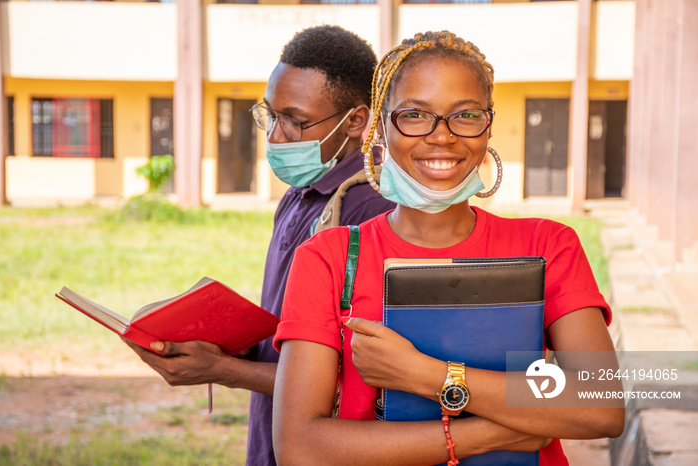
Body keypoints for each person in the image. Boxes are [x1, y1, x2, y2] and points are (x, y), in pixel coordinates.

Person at [272, 31, 625, 465]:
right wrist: (503, 427)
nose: (442, 136)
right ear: (382, 125)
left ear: (487, 126)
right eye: (415, 115)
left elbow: (600, 405)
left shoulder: (548, 246)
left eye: (465, 115)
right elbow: (299, 448)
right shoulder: (327, 259)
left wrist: (427, 375)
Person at [125, 25, 395, 466]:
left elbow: (353, 376)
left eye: (294, 120)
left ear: (356, 121)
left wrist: (222, 372)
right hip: (273, 439)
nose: (274, 136)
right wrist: (217, 339)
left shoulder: (371, 212)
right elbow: (294, 334)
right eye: (269, 115)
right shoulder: (298, 195)